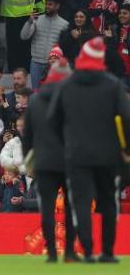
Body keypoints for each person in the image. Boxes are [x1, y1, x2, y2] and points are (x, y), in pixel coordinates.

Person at [48, 37, 130, 263]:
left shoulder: (66, 85)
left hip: (76, 155)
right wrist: (126, 149)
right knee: (108, 202)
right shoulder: (113, 85)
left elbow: (53, 120)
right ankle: (107, 252)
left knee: (80, 203)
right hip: (108, 153)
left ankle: (87, 250)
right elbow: (126, 118)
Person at [21, 63, 77, 263]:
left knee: (46, 208)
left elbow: (27, 134)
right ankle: (69, 251)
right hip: (70, 161)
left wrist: (29, 160)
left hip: (44, 162)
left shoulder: (35, 100)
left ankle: (51, 251)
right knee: (71, 208)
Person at [20, 0, 69, 85]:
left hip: (53, 64)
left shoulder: (64, 24)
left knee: (51, 92)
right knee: (35, 92)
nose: (47, 6)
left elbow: (65, 46)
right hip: (36, 62)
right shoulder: (37, 20)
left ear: (57, 6)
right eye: (46, 4)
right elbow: (23, 36)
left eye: (50, 4)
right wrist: (30, 21)